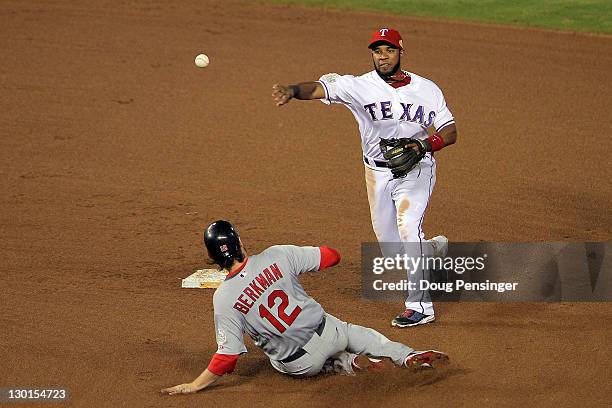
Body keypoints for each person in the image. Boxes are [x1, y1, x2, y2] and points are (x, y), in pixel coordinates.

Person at [272, 27, 458, 328]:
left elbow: (450, 132)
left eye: (389, 50)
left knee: (409, 228)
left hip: (416, 169)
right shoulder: (359, 86)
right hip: (377, 173)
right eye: (377, 51)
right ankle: (433, 250)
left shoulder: (427, 89)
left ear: (400, 51)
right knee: (392, 250)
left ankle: (421, 307)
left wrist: (423, 145)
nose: (382, 56)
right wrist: (292, 91)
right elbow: (319, 89)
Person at [161, 220, 448, 395]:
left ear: (213, 258)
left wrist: (195, 385)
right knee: (361, 334)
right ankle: (406, 355)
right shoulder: (277, 255)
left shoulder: (223, 299)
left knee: (278, 360)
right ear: (239, 242)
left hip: (301, 363)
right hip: (330, 331)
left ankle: (349, 364)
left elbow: (228, 358)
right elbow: (331, 256)